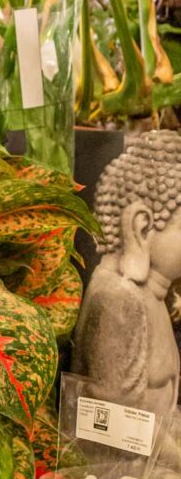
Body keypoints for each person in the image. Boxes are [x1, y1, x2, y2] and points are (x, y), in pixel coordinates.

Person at [72, 130, 181, 415]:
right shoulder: (118, 298)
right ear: (141, 228)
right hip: (121, 459)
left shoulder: (151, 295)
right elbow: (117, 421)